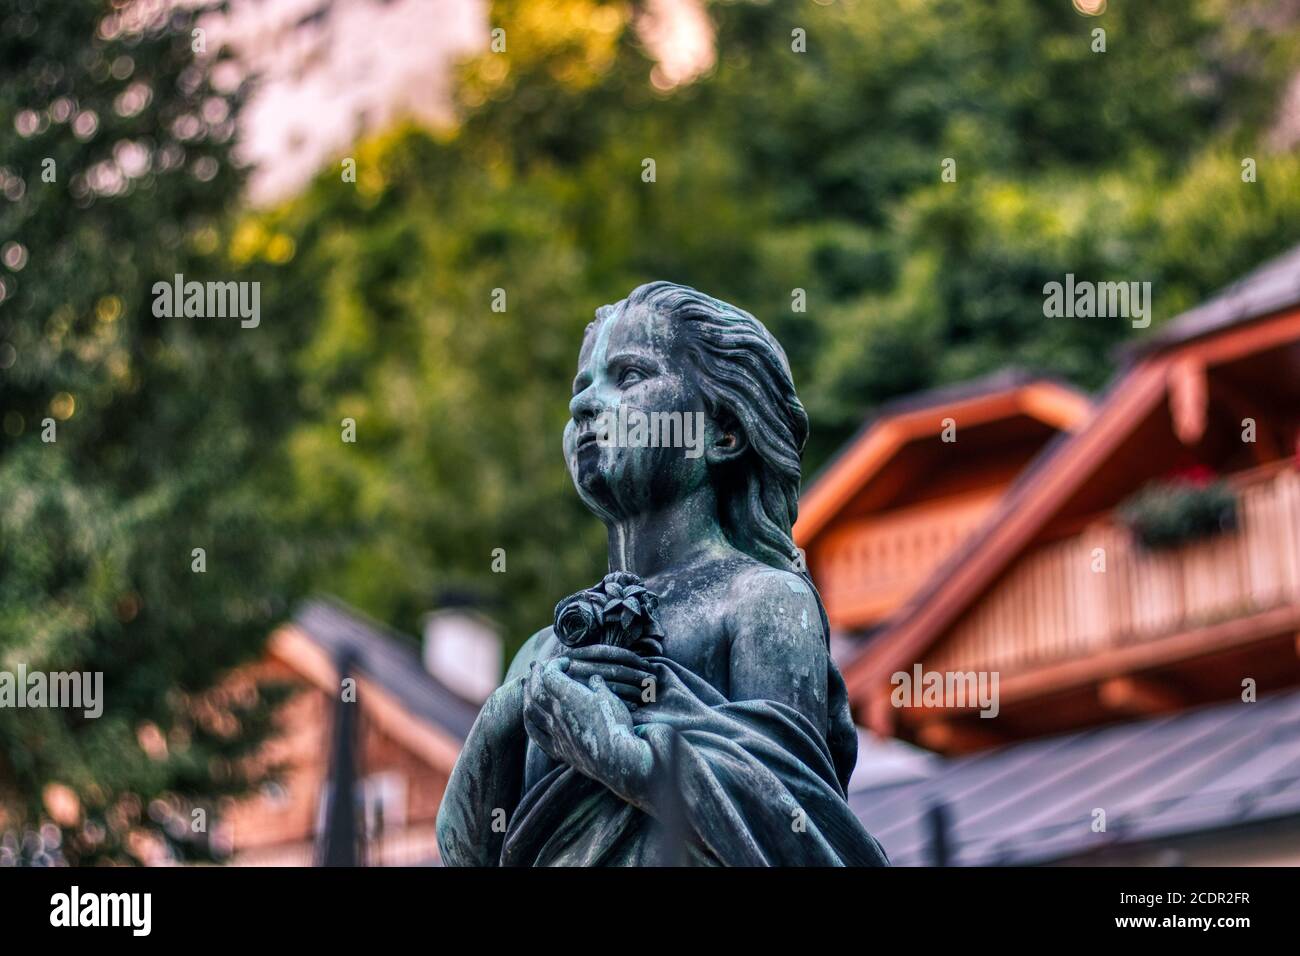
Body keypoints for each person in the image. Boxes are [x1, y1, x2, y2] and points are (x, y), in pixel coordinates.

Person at [436, 282, 888, 866]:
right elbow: (466, 857)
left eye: (629, 377)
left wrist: (622, 757)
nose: (584, 405)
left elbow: (801, 834)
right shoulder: (542, 651)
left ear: (723, 433)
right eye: (582, 387)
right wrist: (505, 715)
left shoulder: (762, 603)